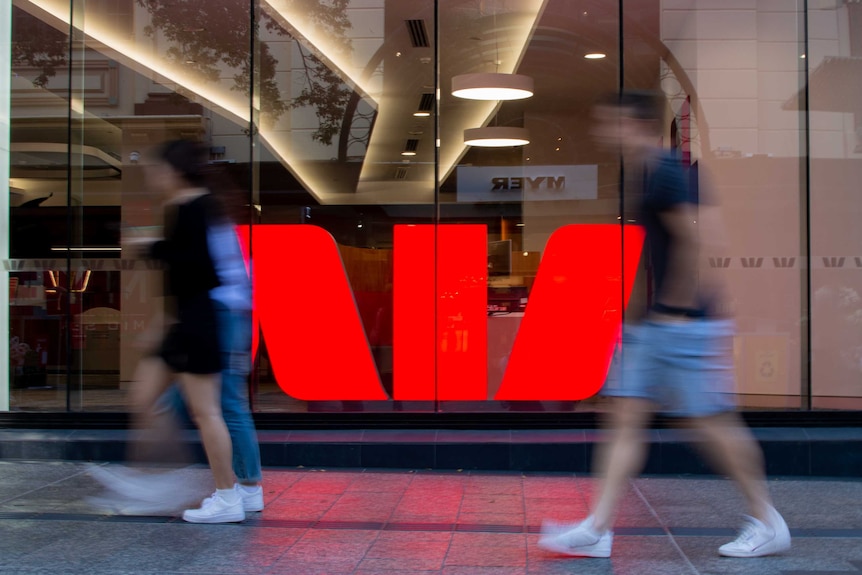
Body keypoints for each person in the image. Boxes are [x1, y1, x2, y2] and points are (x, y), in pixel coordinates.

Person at [538, 91, 791, 559]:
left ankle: (766, 519)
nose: (602, 131)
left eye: (609, 122)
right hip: (657, 326)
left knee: (711, 422)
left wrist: (674, 309)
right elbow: (655, 250)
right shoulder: (646, 172)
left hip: (683, 323)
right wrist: (637, 315)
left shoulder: (666, 172)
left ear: (632, 124)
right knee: (627, 419)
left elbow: (698, 240)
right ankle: (597, 529)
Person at [105, 139, 245, 524]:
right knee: (143, 398)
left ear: (174, 171)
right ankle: (155, 479)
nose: (152, 178)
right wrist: (161, 324)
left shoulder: (196, 207)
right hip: (184, 323)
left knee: (207, 413)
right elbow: (180, 278)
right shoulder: (180, 208)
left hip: (199, 323)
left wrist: (152, 247)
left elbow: (199, 270)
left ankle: (228, 495)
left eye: (156, 170)